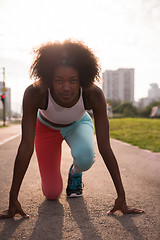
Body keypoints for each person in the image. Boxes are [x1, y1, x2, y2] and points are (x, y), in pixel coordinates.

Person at [0, 40, 144, 218]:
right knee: (52, 193)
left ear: (82, 79)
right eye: (59, 80)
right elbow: (26, 146)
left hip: (78, 124)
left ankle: (75, 172)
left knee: (84, 158)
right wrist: (12, 198)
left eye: (73, 80)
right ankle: (55, 184)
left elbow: (105, 146)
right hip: (45, 129)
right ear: (49, 79)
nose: (66, 87)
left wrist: (121, 196)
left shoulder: (94, 94)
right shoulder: (35, 93)